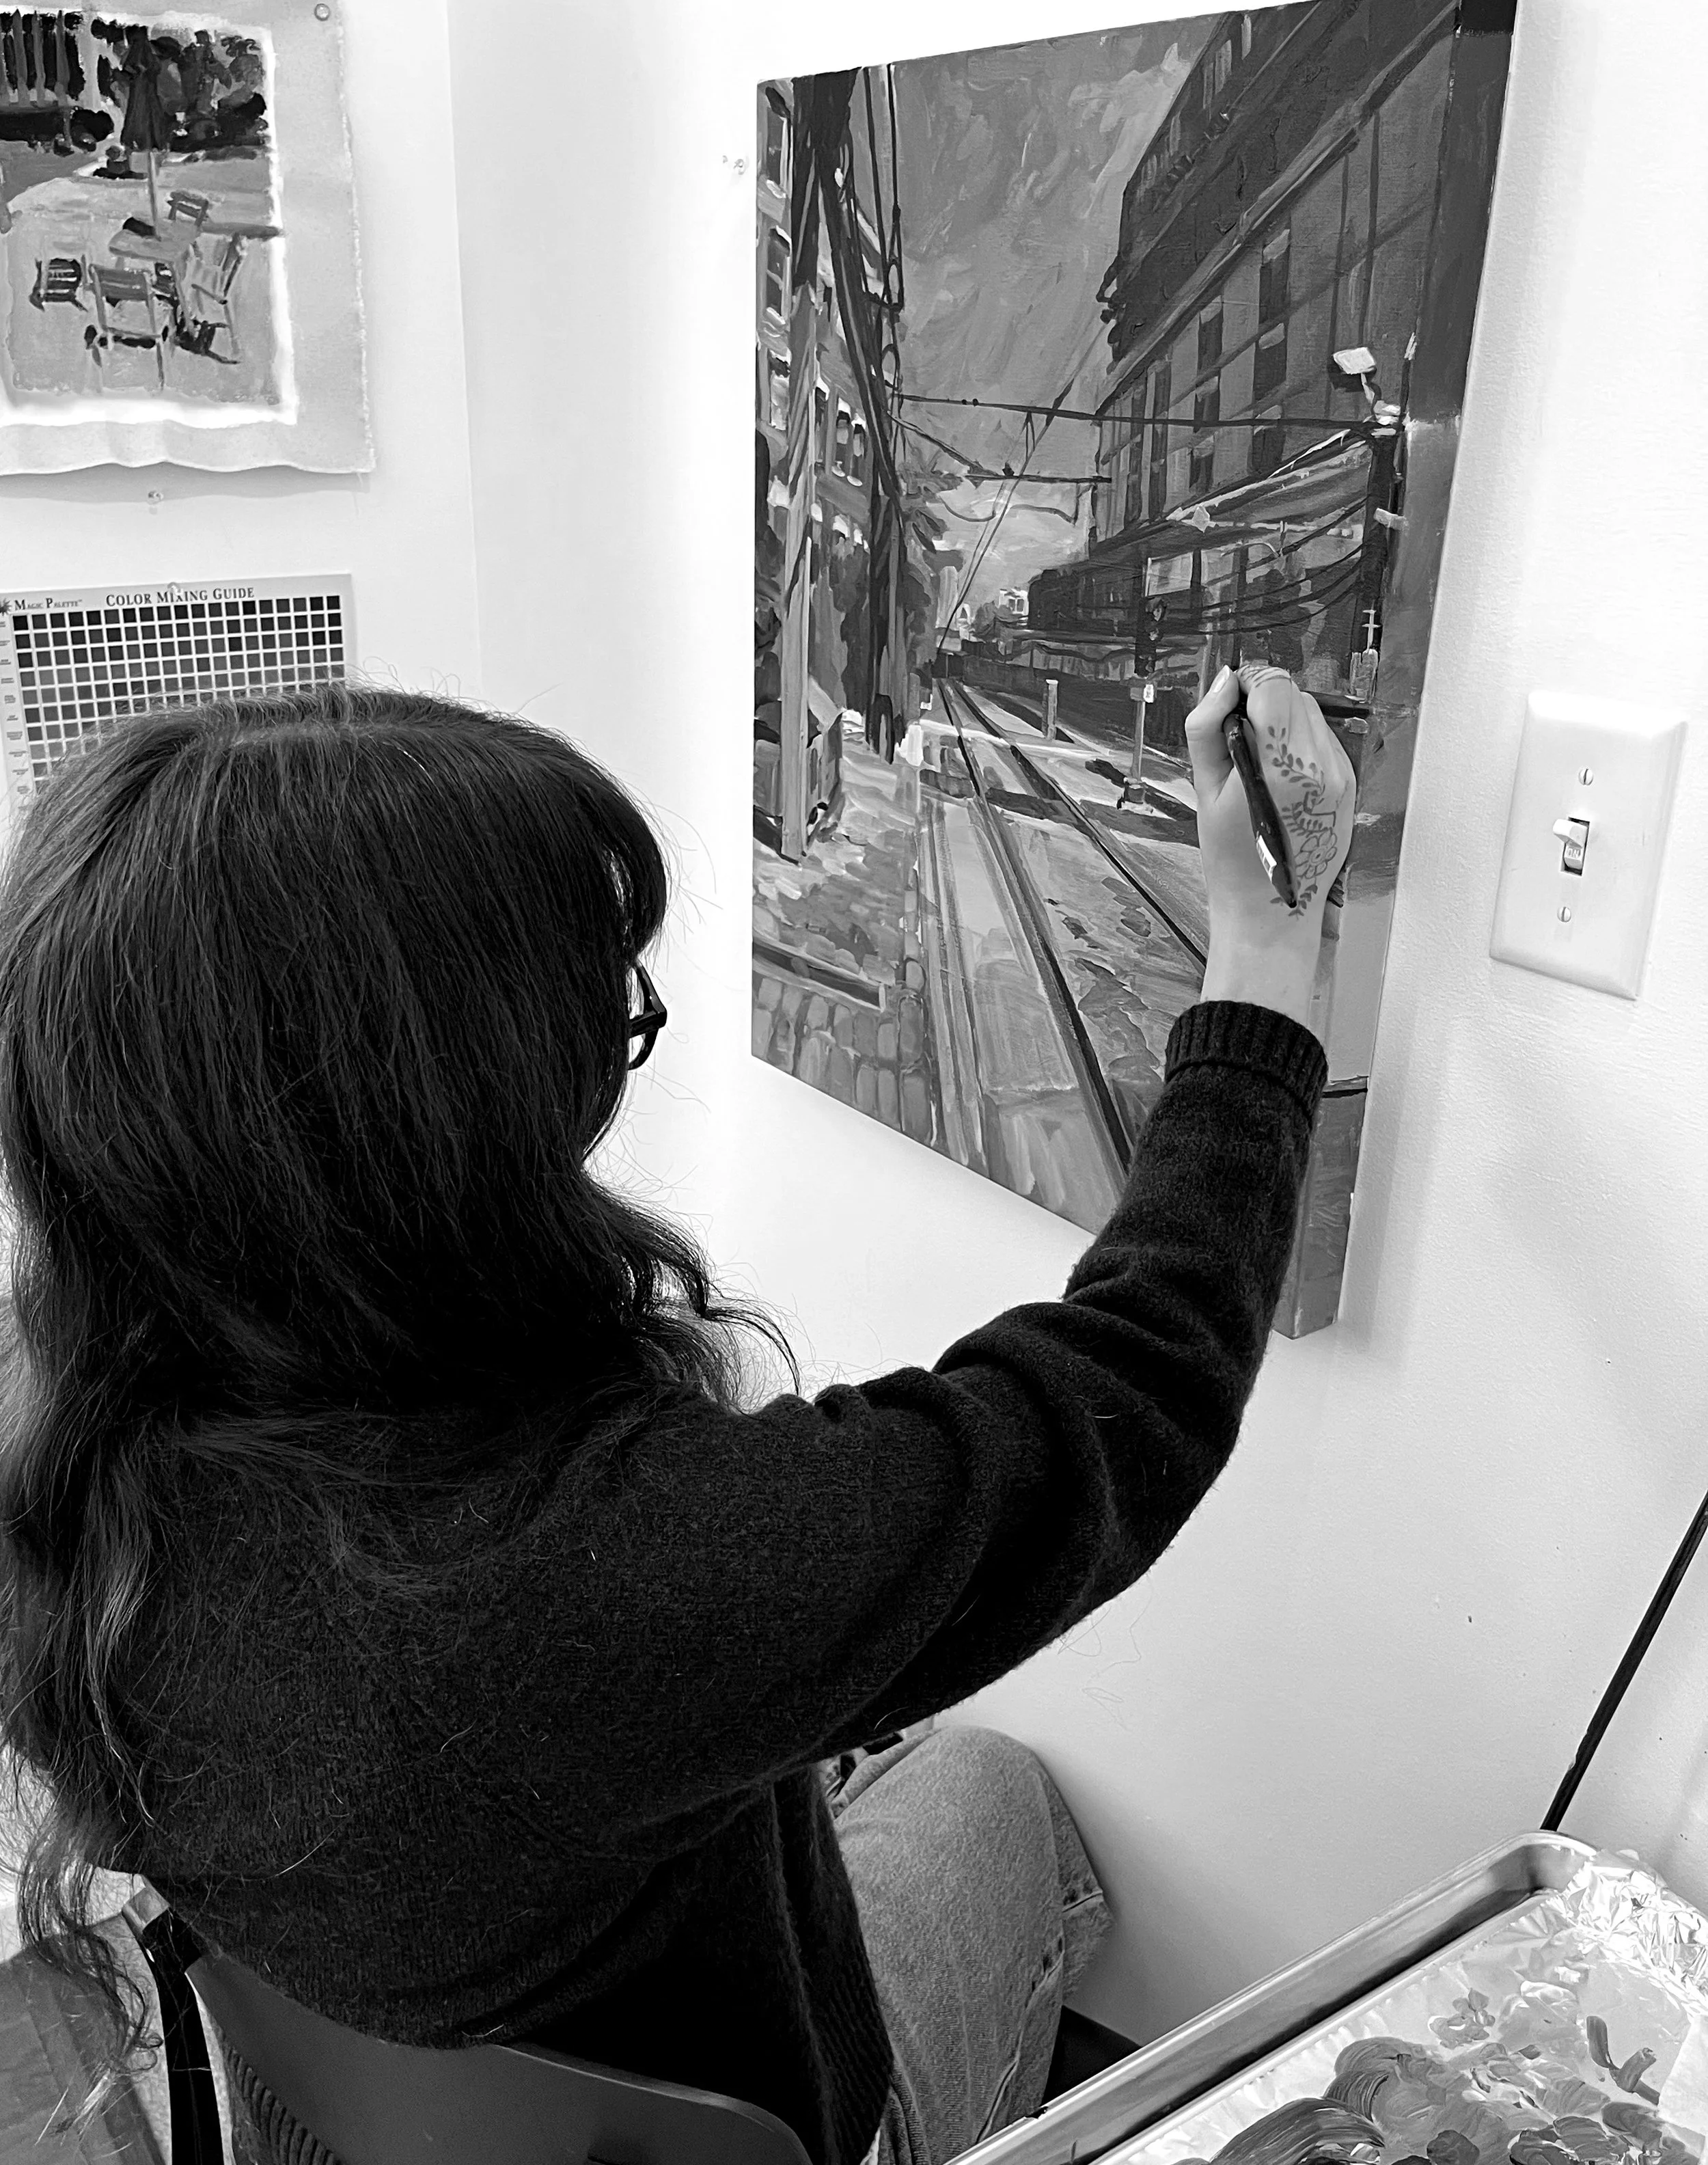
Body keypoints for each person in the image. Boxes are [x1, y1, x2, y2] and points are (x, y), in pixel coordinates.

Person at [0, 663, 1355, 2165]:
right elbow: (1128, 1393)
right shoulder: (587, 1577)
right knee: (1000, 1791)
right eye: (597, 1018)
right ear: (440, 1110)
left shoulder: (60, 1423)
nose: (623, 1034)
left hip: (345, 2115)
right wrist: (1264, 959)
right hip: (758, 2130)